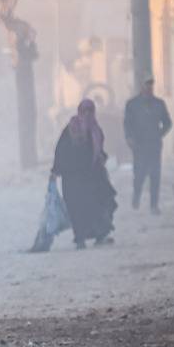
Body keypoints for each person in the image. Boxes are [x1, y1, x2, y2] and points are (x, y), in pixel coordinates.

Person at [51, 99, 117, 249]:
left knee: (97, 205)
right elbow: (60, 151)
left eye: (90, 111)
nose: (87, 114)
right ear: (79, 111)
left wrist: (102, 157)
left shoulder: (95, 130)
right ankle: (79, 238)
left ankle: (100, 235)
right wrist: (55, 170)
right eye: (84, 111)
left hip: (92, 176)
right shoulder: (70, 129)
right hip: (73, 177)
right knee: (77, 208)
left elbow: (98, 150)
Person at [123, 75, 173, 214]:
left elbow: (168, 122)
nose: (149, 87)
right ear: (141, 86)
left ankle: (154, 205)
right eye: (146, 84)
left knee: (155, 175)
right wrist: (129, 138)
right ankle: (136, 197)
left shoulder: (159, 104)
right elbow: (127, 124)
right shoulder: (132, 104)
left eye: (151, 84)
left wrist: (159, 134)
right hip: (139, 146)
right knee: (139, 175)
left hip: (154, 145)